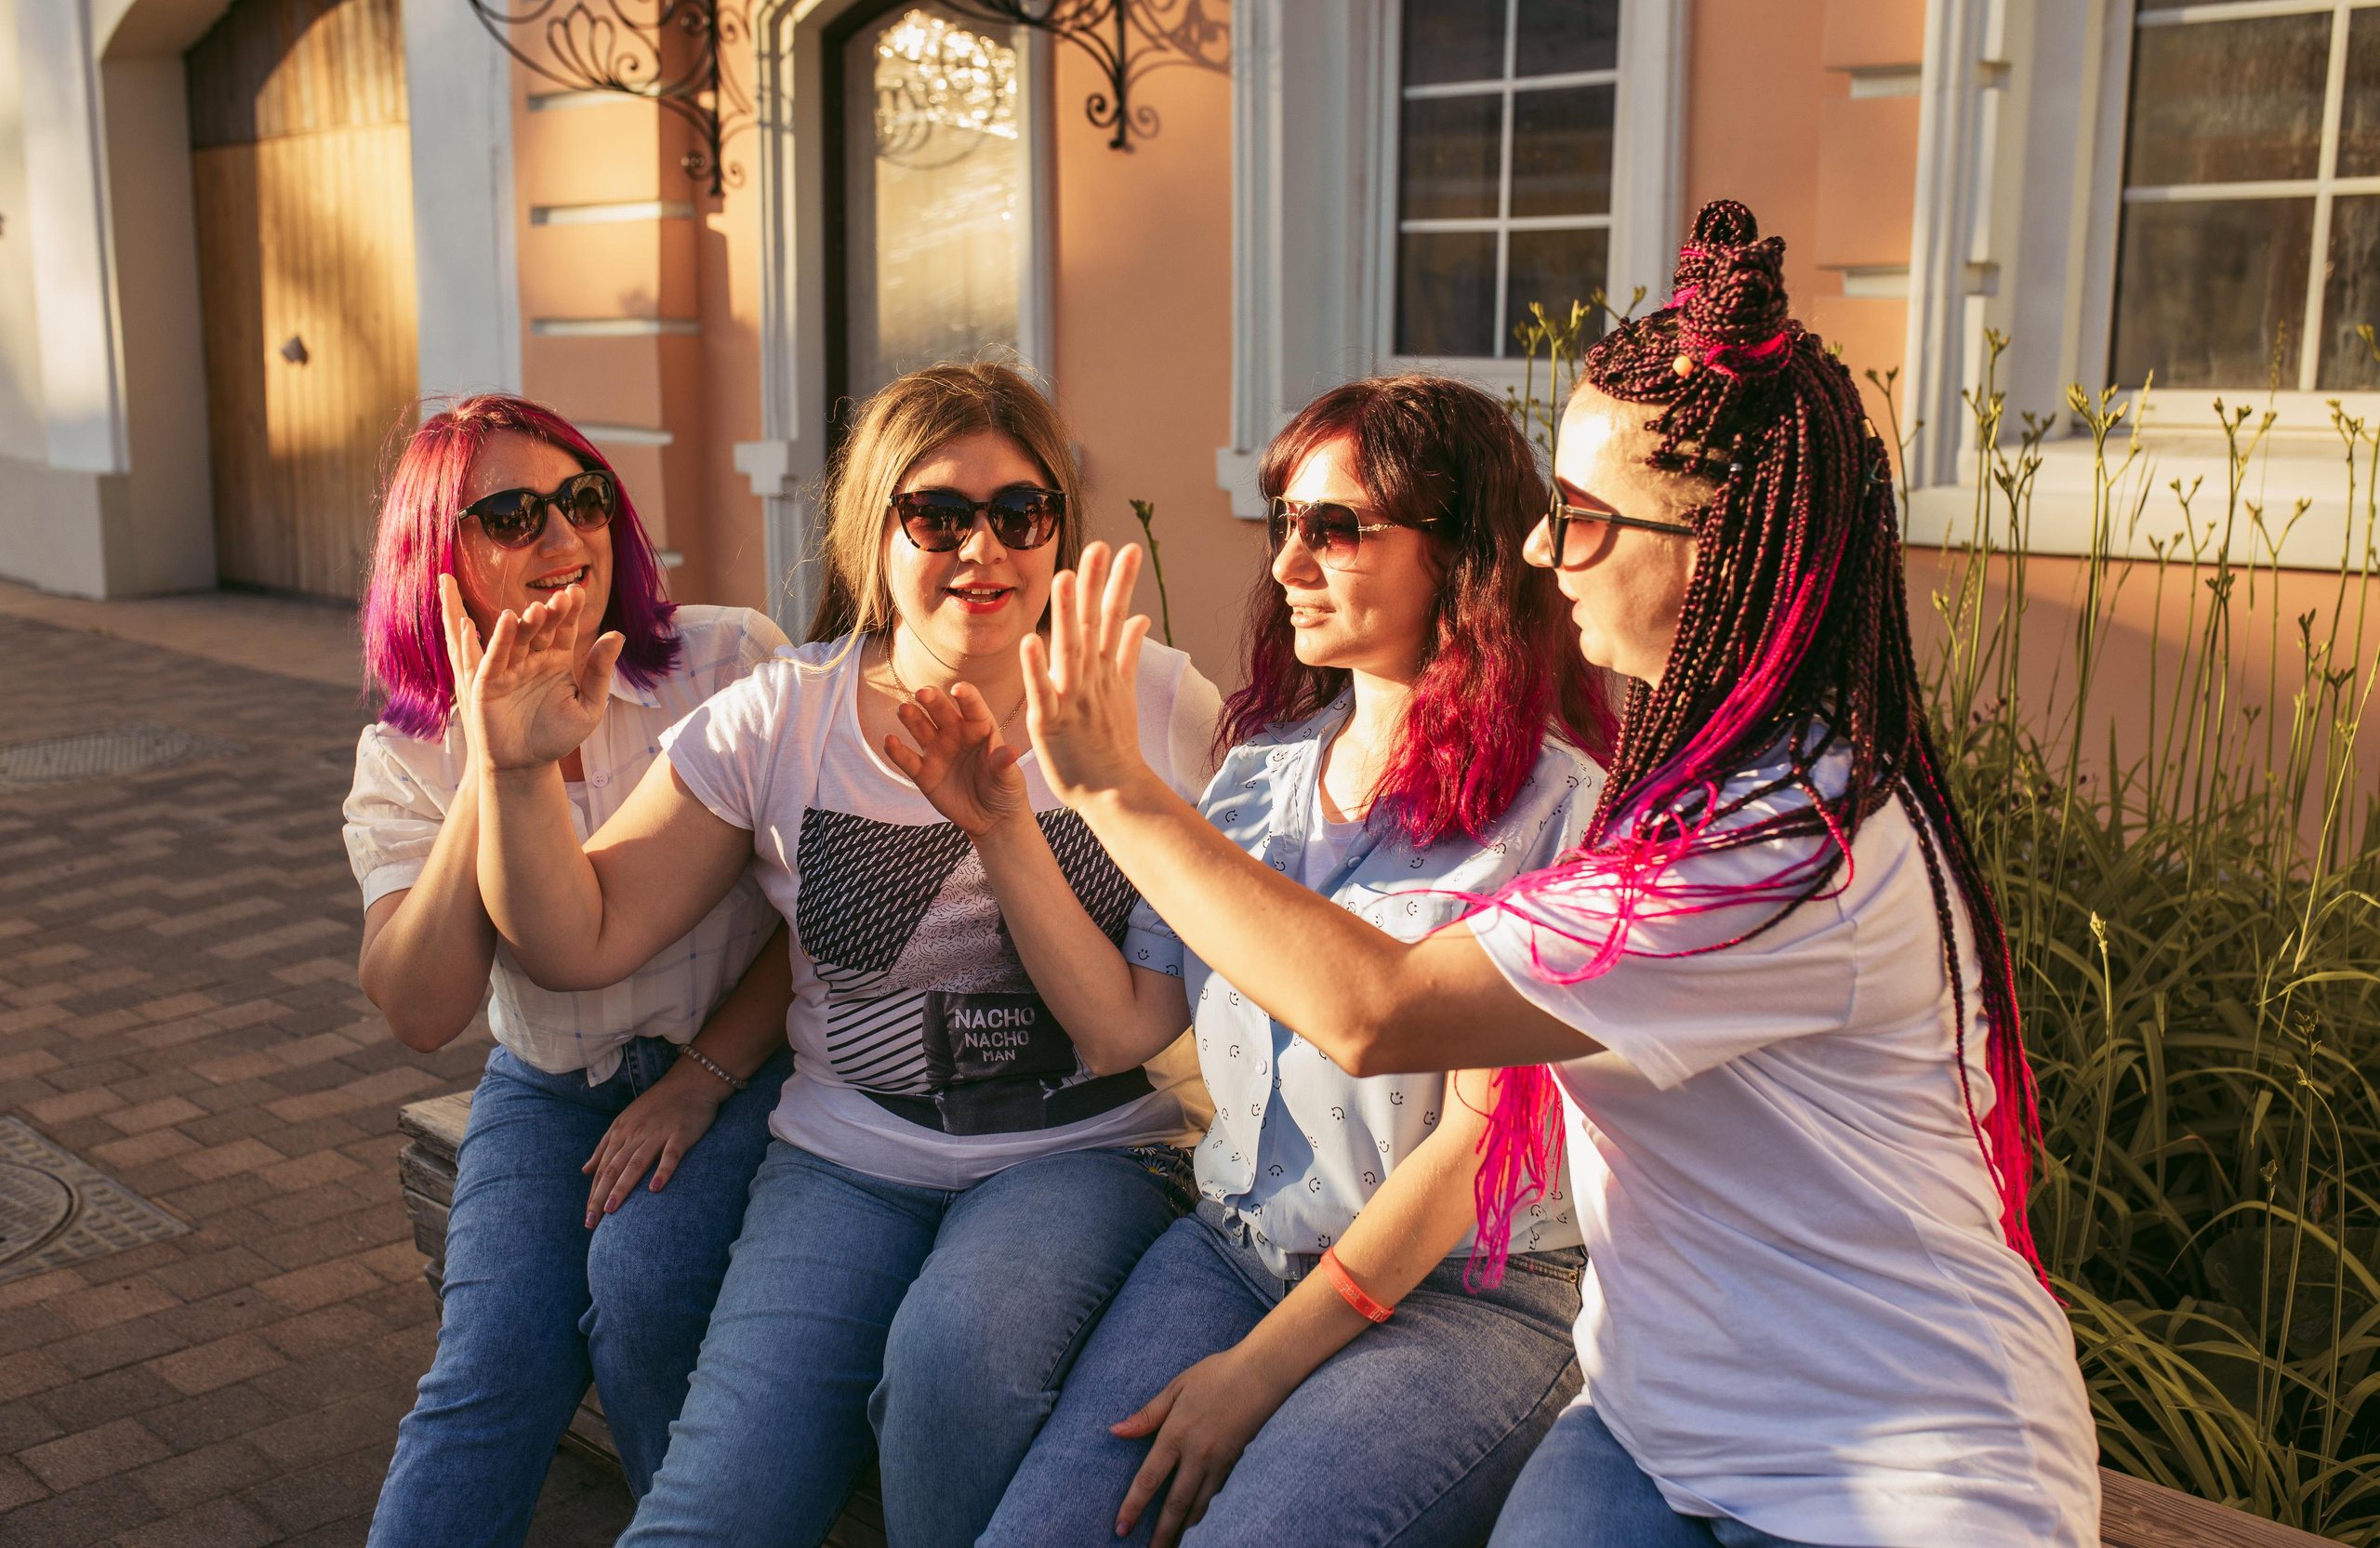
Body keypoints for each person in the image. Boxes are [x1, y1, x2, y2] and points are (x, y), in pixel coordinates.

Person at [999, 202, 2100, 1548]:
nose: (1536, 548)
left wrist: (1114, 785)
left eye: (1578, 517)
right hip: (1652, 1429)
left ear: (1719, 545)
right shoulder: (1703, 788)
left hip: (1886, 1475)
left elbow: (1379, 1009)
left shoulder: (1783, 850)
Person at [454, 362, 1223, 1548]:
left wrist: (1005, 823)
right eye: (939, 516)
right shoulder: (782, 718)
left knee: (952, 1362)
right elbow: (575, 939)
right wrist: (509, 772)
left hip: (1079, 1157)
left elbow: (1131, 1033)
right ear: (875, 534)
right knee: (706, 1511)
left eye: (1022, 514)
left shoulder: (1158, 706)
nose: (986, 550)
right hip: (842, 1164)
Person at [884, 375, 1608, 1548]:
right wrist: (1002, 826)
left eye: (1335, 528)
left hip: (1462, 1303)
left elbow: (1478, 1155)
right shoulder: (1260, 776)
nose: (1286, 565)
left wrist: (1254, 1374)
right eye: (1284, 522)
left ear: (1460, 551)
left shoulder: (1562, 816)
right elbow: (1128, 1027)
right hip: (1233, 1249)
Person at [344, 393, 795, 1548]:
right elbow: (421, 1006)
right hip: (549, 1086)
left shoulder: (727, 658)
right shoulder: (406, 749)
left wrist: (699, 1076)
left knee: (645, 1291)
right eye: (513, 514)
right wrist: (495, 754)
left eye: (583, 499)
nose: (564, 537)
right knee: (488, 1369)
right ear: (437, 558)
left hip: (739, 1061)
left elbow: (821, 919)